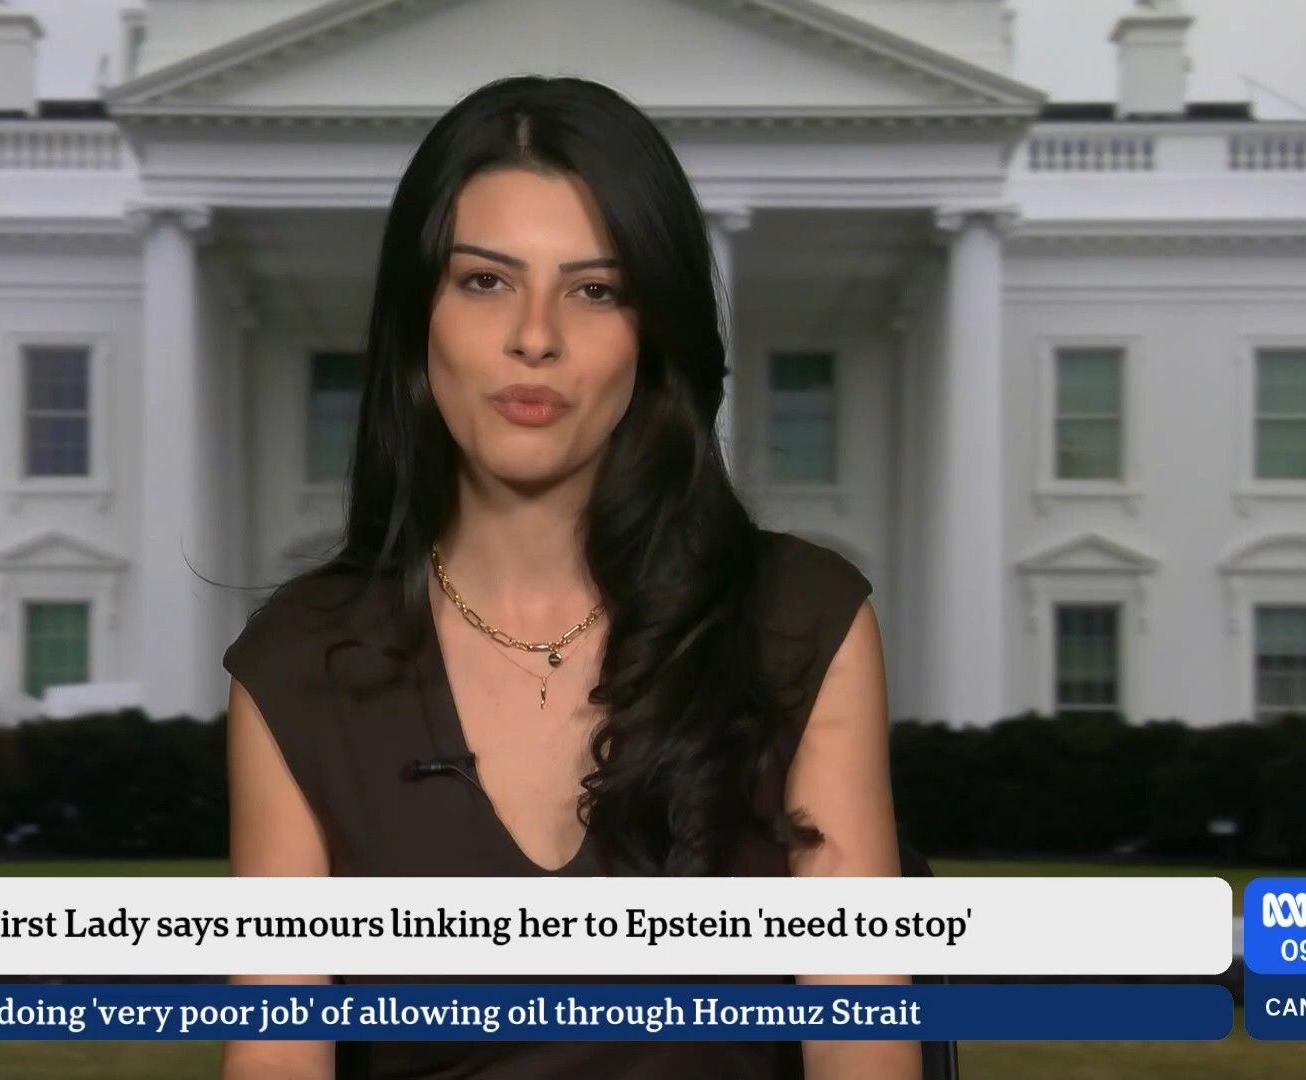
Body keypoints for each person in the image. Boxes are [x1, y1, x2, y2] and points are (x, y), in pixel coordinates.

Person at [220, 73, 917, 1080]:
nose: (535, 337)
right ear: (419, 320)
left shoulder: (799, 624)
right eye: (485, 281)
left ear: (653, 333)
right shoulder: (299, 665)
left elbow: (862, 1043)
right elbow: (277, 1054)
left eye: (595, 290)